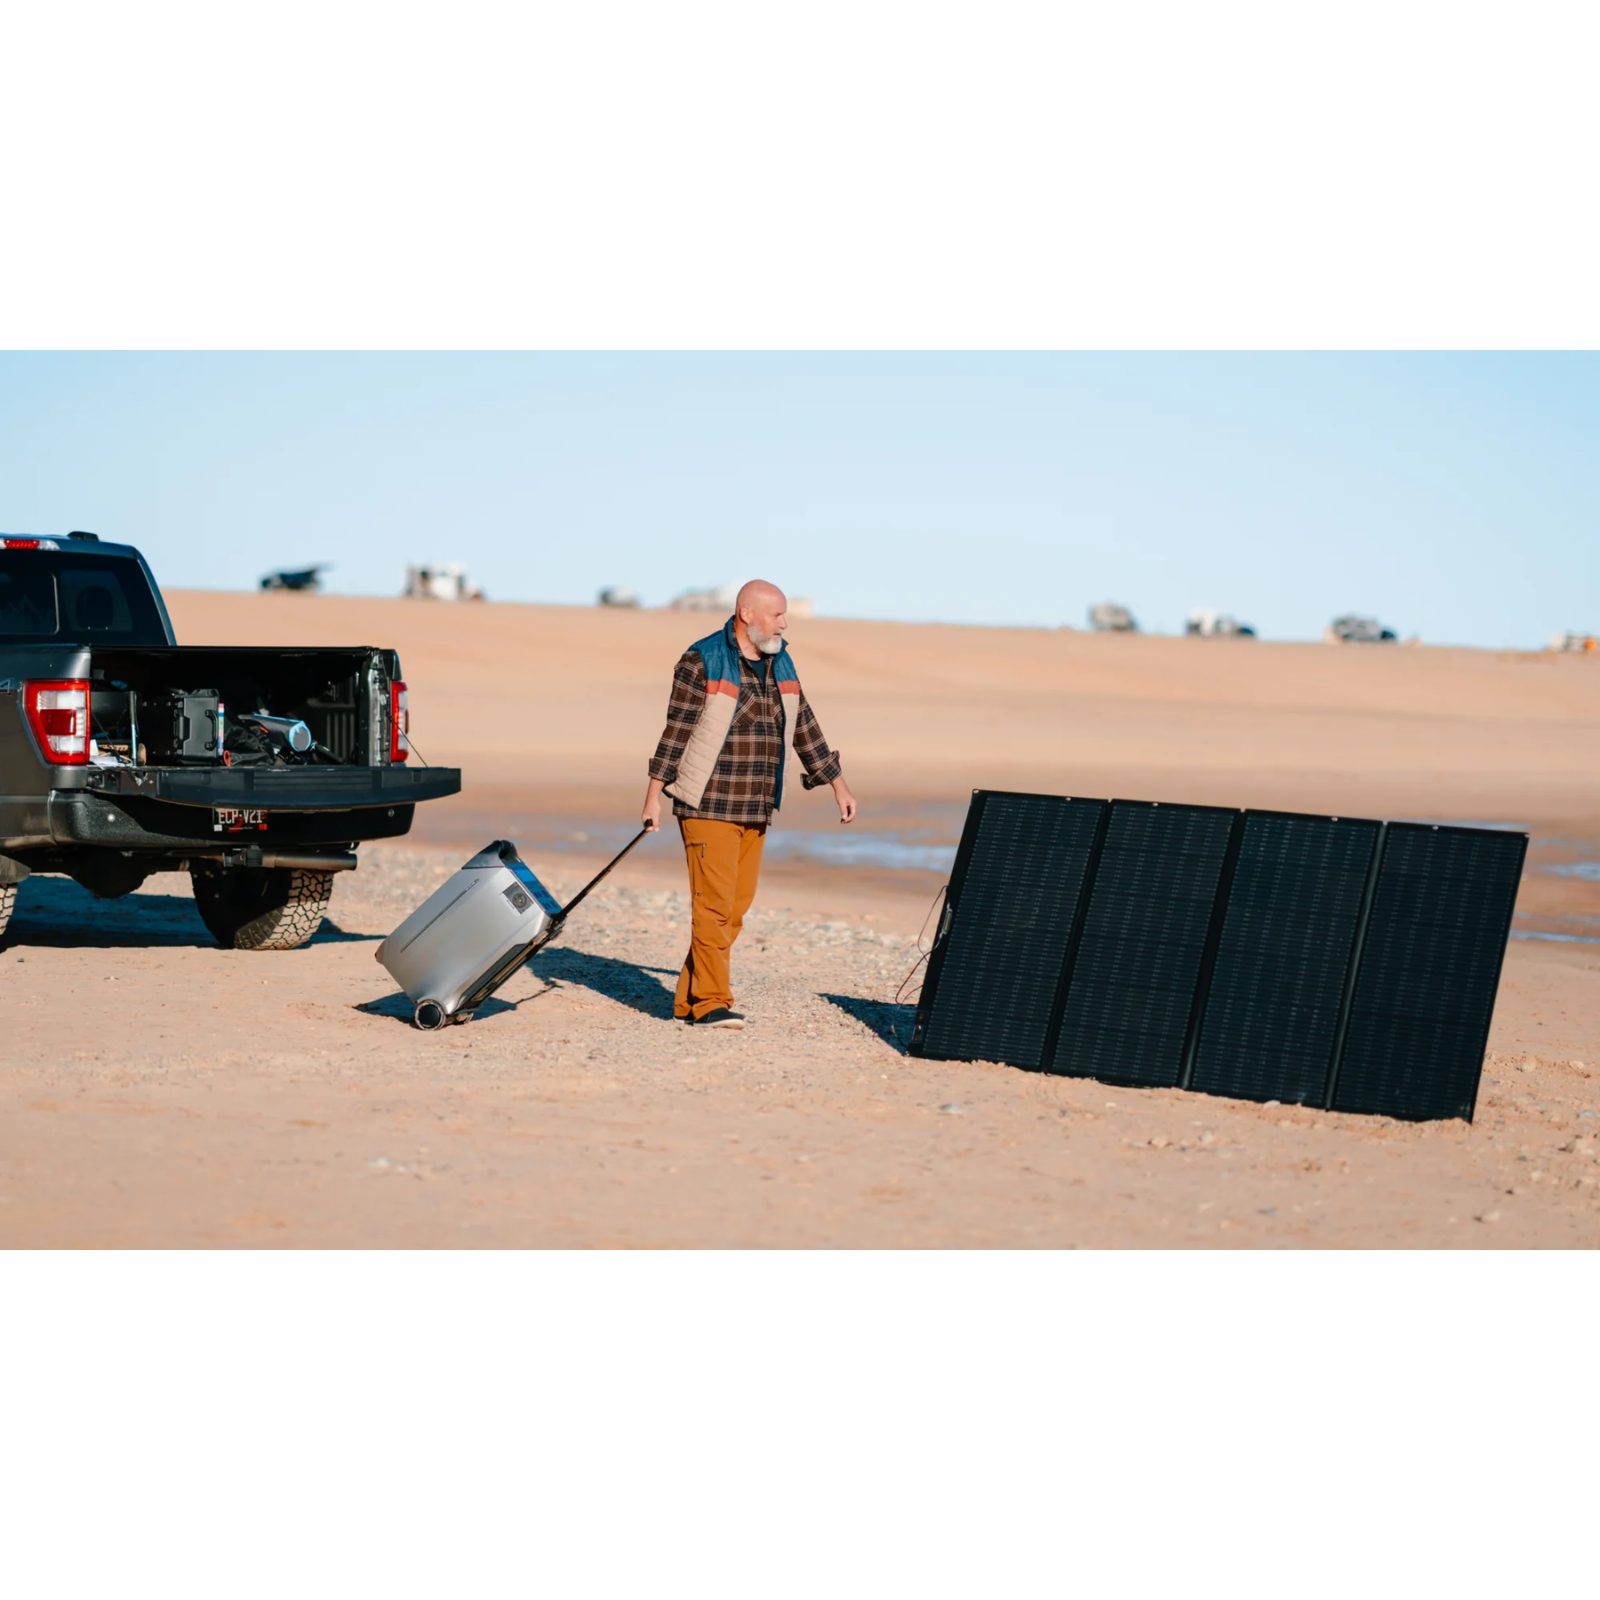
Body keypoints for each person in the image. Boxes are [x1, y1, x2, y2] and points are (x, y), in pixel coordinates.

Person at [642, 579, 857, 1029]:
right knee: (714, 909)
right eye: (776, 614)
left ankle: (687, 998)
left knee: (733, 912)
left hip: (757, 805)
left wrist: (837, 783)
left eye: (783, 615)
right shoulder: (702, 659)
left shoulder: (781, 661)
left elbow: (805, 724)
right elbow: (676, 730)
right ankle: (711, 1004)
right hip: (707, 804)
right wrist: (652, 796)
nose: (783, 623)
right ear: (746, 614)